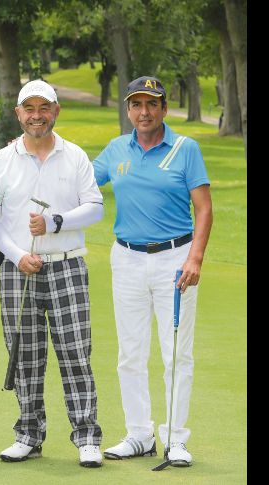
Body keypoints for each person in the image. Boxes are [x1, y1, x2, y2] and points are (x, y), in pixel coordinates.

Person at [94, 76, 212, 467]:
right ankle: (139, 434)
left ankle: (175, 439)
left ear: (163, 108)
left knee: (176, 353)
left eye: (152, 104)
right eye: (136, 105)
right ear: (128, 110)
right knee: (130, 353)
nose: (144, 112)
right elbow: (80, 183)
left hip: (174, 260)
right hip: (126, 258)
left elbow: (204, 208)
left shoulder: (185, 148)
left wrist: (194, 258)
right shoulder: (115, 149)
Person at [0, 80, 105, 468]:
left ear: (56, 111)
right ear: (18, 114)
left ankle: (87, 435)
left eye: (44, 107)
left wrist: (56, 222)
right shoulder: (1, 161)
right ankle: (28, 435)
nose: (37, 115)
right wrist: (18, 255)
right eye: (29, 108)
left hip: (67, 264)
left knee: (75, 352)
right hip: (17, 269)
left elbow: (95, 207)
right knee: (26, 356)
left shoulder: (74, 157)